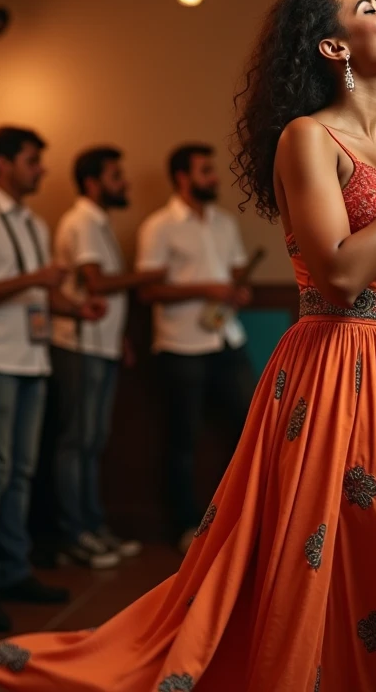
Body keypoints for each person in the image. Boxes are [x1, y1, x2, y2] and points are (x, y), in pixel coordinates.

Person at [0, 0, 376, 690]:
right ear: (333, 45)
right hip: (337, 375)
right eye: (371, 9)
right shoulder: (307, 140)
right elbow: (340, 277)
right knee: (322, 572)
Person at [0, 126, 106, 633]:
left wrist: (77, 307)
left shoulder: (34, 224)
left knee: (20, 474)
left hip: (32, 360)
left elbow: (36, 296)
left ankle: (14, 571)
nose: (42, 169)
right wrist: (34, 281)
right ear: (3, 164)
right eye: (33, 160)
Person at [134, 143, 258, 554]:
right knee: (183, 438)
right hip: (182, 344)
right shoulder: (158, 226)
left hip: (227, 338)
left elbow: (234, 271)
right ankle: (187, 525)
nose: (215, 178)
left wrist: (236, 290)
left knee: (250, 430)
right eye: (206, 171)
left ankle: (246, 519)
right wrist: (206, 287)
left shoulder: (223, 223)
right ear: (183, 178)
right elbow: (148, 290)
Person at [50, 146, 149, 568]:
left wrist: (121, 337)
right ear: (92, 183)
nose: (123, 183)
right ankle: (75, 535)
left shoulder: (98, 222)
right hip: (79, 345)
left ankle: (93, 526)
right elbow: (96, 283)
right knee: (77, 441)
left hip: (100, 345)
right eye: (115, 176)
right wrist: (149, 276)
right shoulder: (83, 221)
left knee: (92, 442)